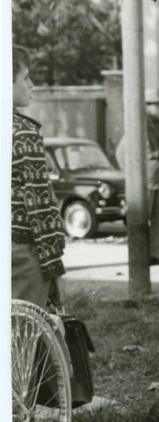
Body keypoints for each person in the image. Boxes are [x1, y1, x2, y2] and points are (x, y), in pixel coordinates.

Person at [12, 49, 66, 307]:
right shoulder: (23, 133)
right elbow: (40, 204)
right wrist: (53, 263)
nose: (31, 85)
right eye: (25, 78)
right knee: (22, 338)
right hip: (21, 252)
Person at [116, 93, 159, 265]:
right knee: (141, 219)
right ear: (146, 106)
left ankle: (155, 255)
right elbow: (121, 152)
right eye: (155, 104)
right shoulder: (139, 126)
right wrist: (131, 176)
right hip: (144, 181)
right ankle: (140, 257)